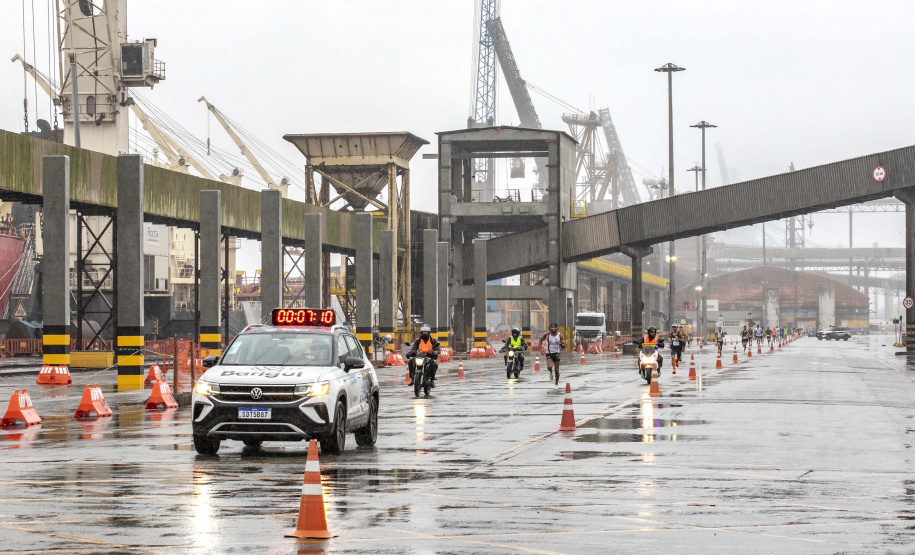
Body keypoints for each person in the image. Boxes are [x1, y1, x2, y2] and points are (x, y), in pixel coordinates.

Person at [540, 323, 566, 390]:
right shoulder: (547, 335)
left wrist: (560, 343)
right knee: (549, 367)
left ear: (557, 328)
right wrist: (541, 348)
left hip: (556, 353)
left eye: (554, 327)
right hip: (549, 353)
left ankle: (556, 383)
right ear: (550, 328)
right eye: (552, 327)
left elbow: (564, 346)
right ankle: (550, 371)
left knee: (557, 370)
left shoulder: (560, 335)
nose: (553, 328)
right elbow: (541, 340)